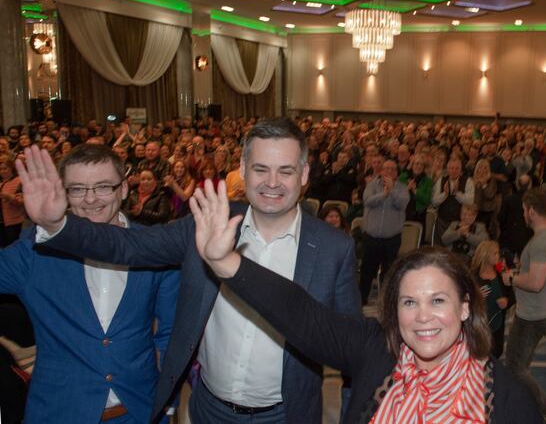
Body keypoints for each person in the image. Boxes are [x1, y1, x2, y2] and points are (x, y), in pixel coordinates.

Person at [21, 119, 361, 424]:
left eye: (285, 171)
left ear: (304, 174)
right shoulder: (207, 221)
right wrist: (57, 224)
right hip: (208, 410)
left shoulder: (334, 249)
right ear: (243, 169)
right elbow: (129, 245)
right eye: (261, 169)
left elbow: (354, 352)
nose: (272, 182)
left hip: (287, 415)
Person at [188, 180, 543, 423]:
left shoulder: (510, 400)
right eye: (409, 302)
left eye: (437, 300)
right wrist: (227, 263)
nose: (423, 317)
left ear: (465, 306)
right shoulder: (375, 350)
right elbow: (301, 314)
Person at [4, 144, 179, 423]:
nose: (90, 199)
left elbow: (170, 333)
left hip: (138, 411)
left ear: (124, 189)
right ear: (64, 193)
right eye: (77, 189)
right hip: (59, 412)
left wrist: (168, 405)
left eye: (103, 186)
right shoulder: (34, 250)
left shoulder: (155, 245)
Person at [501, 188, 546, 423]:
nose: (523, 214)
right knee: (521, 364)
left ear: (531, 211)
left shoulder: (541, 242)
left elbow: (536, 283)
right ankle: (522, 404)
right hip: (544, 310)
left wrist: (512, 278)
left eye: (524, 209)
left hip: (532, 316)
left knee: (515, 367)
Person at [360, 159, 410, 305]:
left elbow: (402, 204)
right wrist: (383, 194)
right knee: (367, 270)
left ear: (396, 173)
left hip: (391, 238)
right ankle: (361, 300)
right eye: (386, 168)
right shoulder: (371, 185)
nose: (389, 171)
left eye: (393, 169)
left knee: (389, 273)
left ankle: (386, 303)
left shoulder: (402, 188)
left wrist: (392, 191)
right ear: (381, 171)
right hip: (371, 237)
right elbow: (367, 200)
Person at [471, 240, 511, 358]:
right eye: (495, 253)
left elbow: (512, 295)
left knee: (496, 352)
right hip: (478, 325)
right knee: (477, 352)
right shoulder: (473, 275)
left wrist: (507, 302)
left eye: (498, 253)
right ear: (486, 255)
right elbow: (462, 297)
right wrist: (476, 295)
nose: (498, 256)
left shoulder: (501, 273)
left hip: (497, 323)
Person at [431, 158, 475, 245]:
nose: (454, 171)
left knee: (454, 248)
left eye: (456, 168)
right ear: (447, 169)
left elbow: (470, 202)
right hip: (442, 221)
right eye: (451, 168)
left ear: (460, 170)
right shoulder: (441, 180)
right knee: (439, 247)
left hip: (459, 223)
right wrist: (444, 195)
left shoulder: (468, 181)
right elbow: (434, 202)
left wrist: (457, 194)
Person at [0, 155, 25, 247]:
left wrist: (8, 197)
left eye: (5, 168)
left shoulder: (19, 181)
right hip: (1, 223)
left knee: (14, 247)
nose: (2, 171)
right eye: (0, 169)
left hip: (14, 222)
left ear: (11, 168)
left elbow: (22, 201)